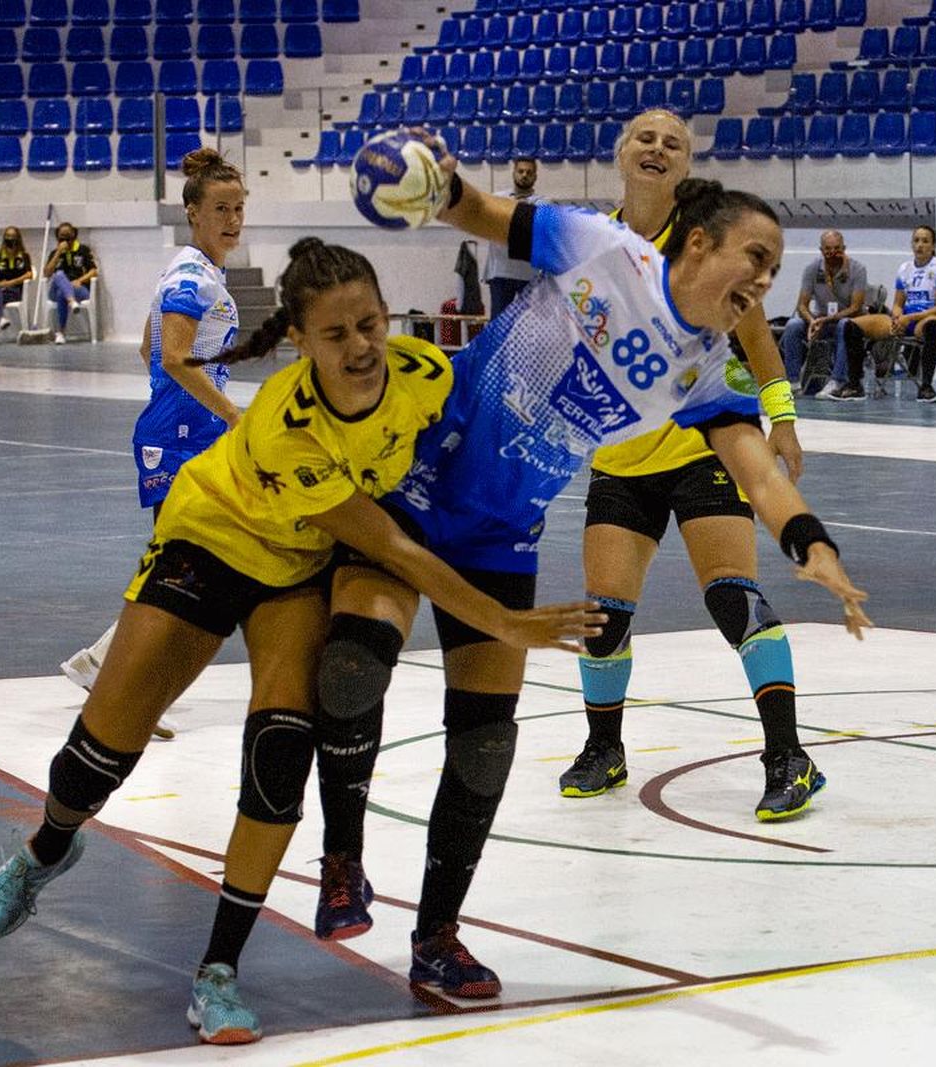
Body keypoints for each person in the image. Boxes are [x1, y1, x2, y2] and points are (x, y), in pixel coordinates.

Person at [0, 238, 602, 1046]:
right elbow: (398, 550)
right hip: (212, 536)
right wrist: (508, 622)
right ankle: (44, 850)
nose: (361, 346)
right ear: (299, 340)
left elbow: (488, 390)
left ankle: (218, 971)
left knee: (279, 748)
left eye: (370, 324)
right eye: (336, 336)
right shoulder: (286, 427)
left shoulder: (420, 372)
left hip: (297, 568)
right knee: (101, 747)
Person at [301, 156, 871, 1013]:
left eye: (774, 265)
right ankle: (342, 859)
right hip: (416, 480)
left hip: (503, 530)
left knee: (486, 743)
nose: (765, 275)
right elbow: (483, 213)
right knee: (353, 666)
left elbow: (759, 474)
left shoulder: (707, 371)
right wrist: (430, 182)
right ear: (700, 242)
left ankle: (435, 938)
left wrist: (810, 540)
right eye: (755, 253)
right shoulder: (602, 248)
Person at [555, 108, 825, 823]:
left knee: (733, 597)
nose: (657, 148)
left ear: (684, 163)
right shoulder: (593, 246)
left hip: (701, 447)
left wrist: (784, 419)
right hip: (621, 459)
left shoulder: (706, 242)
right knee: (602, 616)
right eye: (645, 138)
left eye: (672, 142)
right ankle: (603, 748)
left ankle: (789, 756)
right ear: (621, 153)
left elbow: (758, 336)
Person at [60, 149, 249, 729]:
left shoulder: (192, 270)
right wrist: (235, 417)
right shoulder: (192, 277)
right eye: (221, 208)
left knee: (192, 561)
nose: (233, 219)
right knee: (181, 565)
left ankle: (102, 664)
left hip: (187, 432)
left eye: (240, 208)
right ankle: (113, 677)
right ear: (193, 212)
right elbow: (169, 355)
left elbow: (149, 349)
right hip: (181, 437)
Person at [837, 224, 936, 403]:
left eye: (925, 241)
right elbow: (898, 304)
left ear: (933, 245)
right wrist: (897, 318)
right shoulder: (904, 269)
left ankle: (926, 387)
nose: (920, 245)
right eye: (916, 241)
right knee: (851, 325)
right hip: (906, 319)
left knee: (932, 325)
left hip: (929, 319)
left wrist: (909, 318)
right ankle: (855, 384)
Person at [778, 230, 866, 395]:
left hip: (846, 321)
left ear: (844, 248)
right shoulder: (812, 269)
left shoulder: (858, 269)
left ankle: (837, 381)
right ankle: (793, 381)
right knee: (793, 324)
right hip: (819, 322)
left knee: (844, 325)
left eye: (837, 248)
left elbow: (856, 307)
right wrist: (811, 321)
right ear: (821, 250)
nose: (832, 253)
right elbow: (802, 305)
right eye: (828, 249)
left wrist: (827, 319)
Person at [482, 155, 539, 318]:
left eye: (529, 172)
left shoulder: (543, 202)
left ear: (535, 176)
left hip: (530, 275)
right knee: (498, 326)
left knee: (529, 327)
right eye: (520, 171)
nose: (524, 175)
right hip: (500, 272)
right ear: (514, 173)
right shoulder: (497, 198)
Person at [43, 220, 99, 345]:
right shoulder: (54, 253)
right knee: (59, 274)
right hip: (56, 288)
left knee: (61, 294)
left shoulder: (82, 250)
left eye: (68, 236)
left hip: (79, 288)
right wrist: (58, 253)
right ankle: (71, 301)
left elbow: (94, 272)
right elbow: (46, 273)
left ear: (74, 235)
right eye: (62, 237)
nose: (65, 240)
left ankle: (61, 332)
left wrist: (80, 280)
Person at [0, 226, 34, 345]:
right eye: (8, 236)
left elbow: (29, 274)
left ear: (18, 239)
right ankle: (1, 319)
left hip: (15, 292)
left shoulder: (23, 256)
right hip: (0, 290)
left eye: (13, 236)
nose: (10, 239)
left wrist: (11, 283)